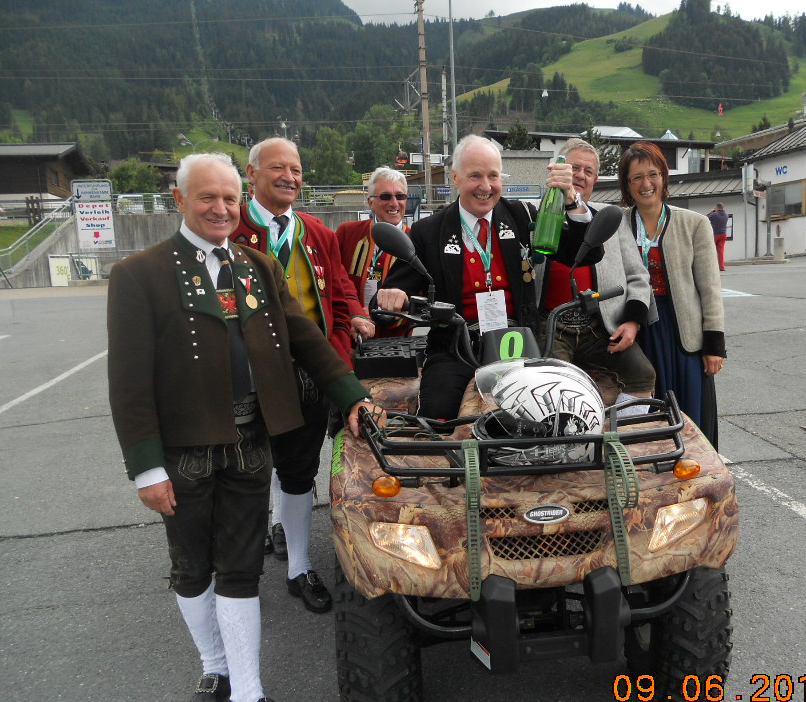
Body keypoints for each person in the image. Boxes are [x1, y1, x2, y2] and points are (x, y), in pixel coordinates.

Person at [106, 152, 383, 702]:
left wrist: (352, 396)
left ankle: (247, 699)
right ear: (180, 200)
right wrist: (146, 469)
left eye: (229, 199)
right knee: (191, 569)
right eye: (207, 197)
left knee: (240, 569)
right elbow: (128, 383)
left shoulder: (257, 264)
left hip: (250, 441)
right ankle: (215, 668)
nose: (221, 209)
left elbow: (306, 336)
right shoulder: (139, 274)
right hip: (183, 450)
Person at [232, 137, 370, 612]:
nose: (289, 177)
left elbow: (339, 296)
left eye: (295, 169)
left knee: (298, 470)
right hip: (246, 375)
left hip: (309, 374)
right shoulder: (229, 228)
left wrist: (342, 348)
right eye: (278, 168)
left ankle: (298, 567)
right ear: (252, 174)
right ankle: (238, 569)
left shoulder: (317, 232)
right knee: (244, 470)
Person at [376, 134, 601, 420]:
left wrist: (571, 201)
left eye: (493, 176)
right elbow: (390, 296)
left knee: (543, 417)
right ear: (455, 178)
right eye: (475, 176)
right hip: (456, 348)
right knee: (438, 414)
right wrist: (392, 295)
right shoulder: (428, 231)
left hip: (521, 344)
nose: (485, 186)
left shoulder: (522, 216)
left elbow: (585, 253)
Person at [617, 141, 726, 448]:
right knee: (645, 413)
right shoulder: (617, 223)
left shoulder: (695, 224)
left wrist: (714, 345)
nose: (646, 184)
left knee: (690, 415)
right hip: (638, 330)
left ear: (664, 177)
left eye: (653, 174)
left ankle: (697, 471)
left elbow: (709, 289)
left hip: (683, 335)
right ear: (627, 184)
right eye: (637, 177)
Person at [538, 137, 656, 413]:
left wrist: (633, 321)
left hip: (601, 326)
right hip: (551, 325)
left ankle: (622, 430)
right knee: (556, 385)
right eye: (574, 168)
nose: (581, 176)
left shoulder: (612, 217)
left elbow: (639, 277)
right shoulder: (534, 212)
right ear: (557, 169)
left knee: (643, 374)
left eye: (588, 171)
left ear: (595, 179)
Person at [335, 166, 411, 336]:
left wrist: (384, 315)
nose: (394, 203)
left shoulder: (416, 240)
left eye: (400, 196)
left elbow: (421, 294)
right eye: (385, 196)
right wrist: (355, 312)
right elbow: (335, 280)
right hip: (351, 331)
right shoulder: (347, 233)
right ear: (370, 202)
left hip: (395, 338)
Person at [706, 203, 729, 271]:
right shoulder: (726, 215)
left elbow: (705, 218)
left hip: (715, 234)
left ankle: (711, 266)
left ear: (717, 207)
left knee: (711, 249)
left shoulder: (714, 214)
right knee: (721, 251)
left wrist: (710, 212)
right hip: (723, 234)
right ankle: (722, 267)